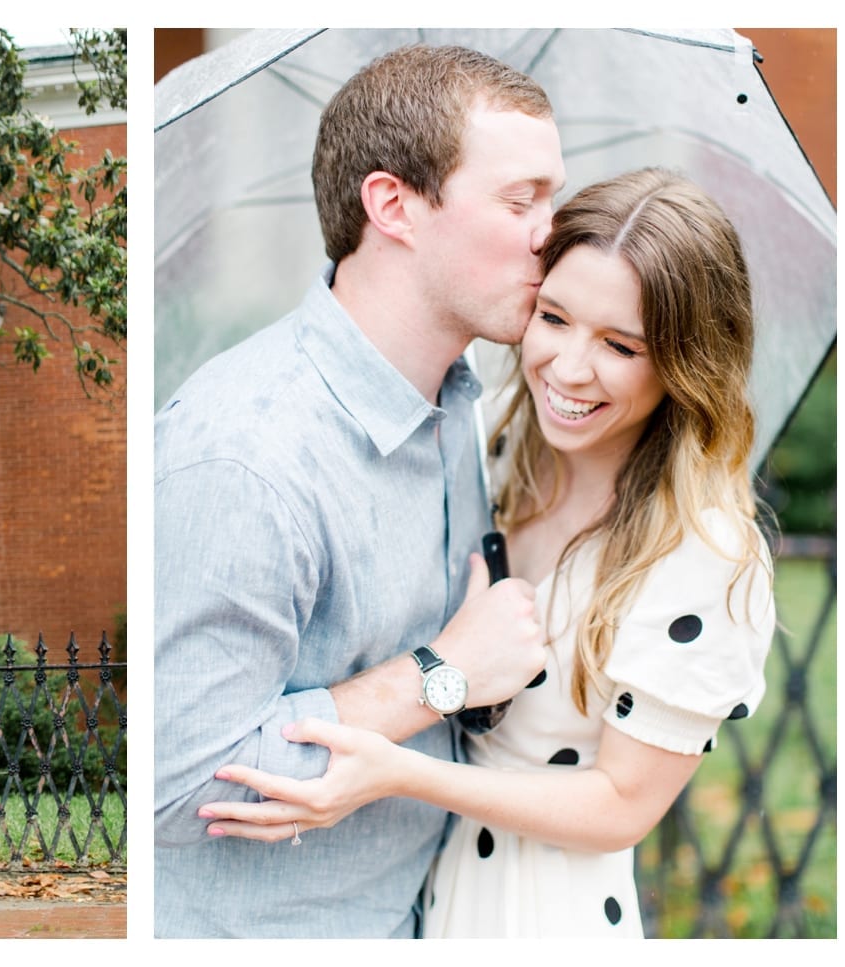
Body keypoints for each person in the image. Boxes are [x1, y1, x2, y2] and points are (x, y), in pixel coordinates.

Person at [197, 168, 776, 938]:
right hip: (424, 899)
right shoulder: (499, 441)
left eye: (620, 344)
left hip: (546, 914)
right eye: (555, 317)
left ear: (683, 360)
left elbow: (621, 807)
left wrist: (399, 773)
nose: (569, 368)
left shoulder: (704, 548)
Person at [153, 44, 564, 937]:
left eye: (555, 200)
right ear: (393, 206)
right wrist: (443, 675)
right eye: (521, 200)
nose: (552, 232)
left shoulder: (461, 400)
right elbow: (176, 785)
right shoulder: (246, 454)